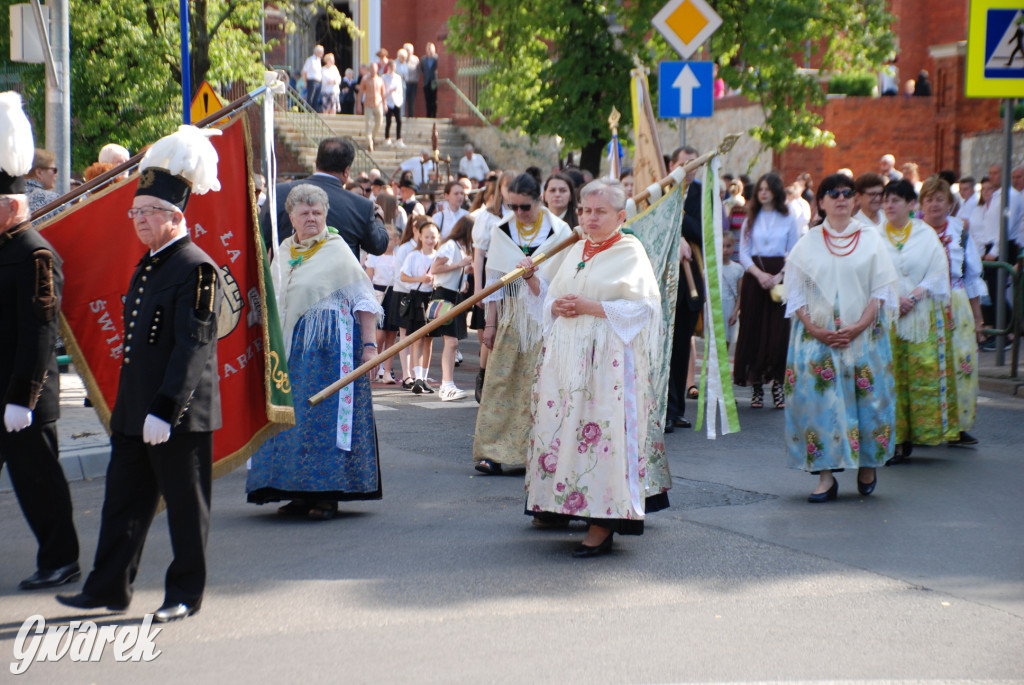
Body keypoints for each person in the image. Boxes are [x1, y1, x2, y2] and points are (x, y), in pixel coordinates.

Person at [59, 125, 224, 622]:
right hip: (137, 411)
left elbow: (194, 346)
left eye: (147, 213)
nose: (138, 221)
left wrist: (165, 409)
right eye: (136, 212)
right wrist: (135, 408)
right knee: (122, 503)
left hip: (176, 414)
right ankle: (108, 586)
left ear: (175, 217)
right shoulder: (149, 265)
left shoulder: (197, 267)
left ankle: (184, 594)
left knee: (184, 507)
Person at [520, 179, 664, 556]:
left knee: (600, 437)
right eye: (585, 210)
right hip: (566, 362)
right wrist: (537, 284)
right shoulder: (577, 247)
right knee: (563, 432)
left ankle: (603, 523)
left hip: (608, 365)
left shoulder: (630, 250)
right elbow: (550, 299)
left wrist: (590, 307)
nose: (590, 217)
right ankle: (562, 504)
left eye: (600, 212)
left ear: (620, 216)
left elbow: (645, 308)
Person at [247, 184, 382, 520]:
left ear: (326, 215)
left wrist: (369, 347)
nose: (311, 218)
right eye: (304, 213)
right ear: (291, 217)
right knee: (293, 421)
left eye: (317, 213)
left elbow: (364, 301)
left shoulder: (337, 250)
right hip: (291, 352)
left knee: (322, 419)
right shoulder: (284, 251)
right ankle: (296, 490)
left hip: (331, 353)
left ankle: (326, 495)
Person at [0, 92, 80, 591]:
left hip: (21, 396)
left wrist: (21, 399)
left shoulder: (36, 254)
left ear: (10, 207)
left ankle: (61, 558)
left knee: (39, 485)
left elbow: (41, 332)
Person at [783, 173, 899, 502]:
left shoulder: (871, 238)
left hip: (863, 332)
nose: (841, 198)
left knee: (868, 399)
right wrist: (815, 328)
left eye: (848, 193)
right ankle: (825, 476)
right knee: (819, 403)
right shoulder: (808, 242)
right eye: (832, 193)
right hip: (818, 335)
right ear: (820, 202)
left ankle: (867, 463)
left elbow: (881, 289)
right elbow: (796, 294)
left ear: (856, 200)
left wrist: (861, 324)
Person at [473, 172, 571, 474]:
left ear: (538, 200)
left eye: (524, 207)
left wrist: (532, 278)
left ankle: (537, 453)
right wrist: (490, 324)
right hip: (512, 318)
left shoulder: (560, 231)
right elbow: (496, 281)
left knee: (538, 386)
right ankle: (492, 451)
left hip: (545, 320)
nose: (518, 213)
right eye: (512, 207)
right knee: (501, 384)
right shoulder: (502, 230)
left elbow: (561, 283)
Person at [881, 179, 957, 462]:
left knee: (920, 373)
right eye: (887, 200)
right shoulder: (875, 236)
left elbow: (938, 272)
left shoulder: (926, 235)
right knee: (891, 379)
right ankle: (895, 440)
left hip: (921, 314)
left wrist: (912, 297)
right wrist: (892, 298)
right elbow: (870, 274)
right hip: (887, 315)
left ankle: (918, 433)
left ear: (911, 205)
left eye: (896, 200)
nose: (889, 205)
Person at [919, 176, 986, 446]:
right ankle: (925, 425)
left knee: (961, 364)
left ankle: (958, 425)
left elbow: (971, 276)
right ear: (921, 204)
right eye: (928, 199)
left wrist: (978, 318)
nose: (934, 204)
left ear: (949, 204)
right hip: (923, 303)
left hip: (956, 304)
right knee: (925, 366)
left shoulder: (960, 232)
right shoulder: (913, 232)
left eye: (939, 199)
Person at [734, 172, 800, 409]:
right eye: (760, 189)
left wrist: (780, 275)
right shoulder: (751, 218)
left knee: (778, 334)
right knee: (754, 331)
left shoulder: (788, 217)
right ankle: (756, 387)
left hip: (780, 276)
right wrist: (760, 275)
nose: (763, 193)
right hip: (755, 277)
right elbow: (743, 251)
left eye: (767, 189)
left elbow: (794, 250)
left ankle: (778, 386)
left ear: (776, 191)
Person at [261, 137, 388, 259]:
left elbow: (260, 242)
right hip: (335, 280)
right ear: (346, 171)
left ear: (317, 163)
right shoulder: (361, 206)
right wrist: (379, 218)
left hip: (287, 278)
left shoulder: (279, 193)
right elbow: (378, 245)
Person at [665, 146, 703, 432]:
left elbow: (705, 231)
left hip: (690, 283)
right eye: (684, 163)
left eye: (694, 164)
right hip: (662, 282)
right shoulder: (658, 192)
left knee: (680, 349)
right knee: (662, 349)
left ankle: (676, 410)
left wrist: (677, 218)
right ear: (671, 165)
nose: (689, 169)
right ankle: (662, 409)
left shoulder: (703, 194)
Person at [430, 215, 474, 401]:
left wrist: (463, 273)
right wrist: (460, 265)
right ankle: (446, 385)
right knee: (451, 342)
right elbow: (435, 268)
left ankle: (447, 384)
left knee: (453, 342)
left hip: (452, 295)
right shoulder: (450, 246)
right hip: (444, 295)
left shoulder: (459, 247)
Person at [400, 221, 441, 394]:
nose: (430, 240)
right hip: (418, 298)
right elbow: (403, 276)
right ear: (420, 237)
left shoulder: (439, 256)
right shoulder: (414, 255)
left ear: (438, 238)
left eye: (433, 236)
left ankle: (424, 378)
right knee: (417, 338)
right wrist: (420, 278)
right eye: (427, 237)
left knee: (429, 339)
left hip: (433, 297)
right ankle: (416, 377)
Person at [365, 225, 400, 385]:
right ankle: (375, 366)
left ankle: (387, 371)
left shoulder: (399, 255)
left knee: (392, 335)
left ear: (397, 240)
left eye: (391, 239)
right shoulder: (374, 256)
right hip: (378, 293)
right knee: (379, 334)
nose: (388, 242)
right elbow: (369, 278)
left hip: (394, 293)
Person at [721, 231, 744, 350]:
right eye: (722, 246)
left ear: (734, 246)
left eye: (728, 246)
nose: (725, 250)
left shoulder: (738, 269)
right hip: (716, 305)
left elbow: (740, 294)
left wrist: (735, 312)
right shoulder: (711, 268)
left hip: (730, 307)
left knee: (727, 340)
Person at [359, 63, 387, 152]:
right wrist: (359, 104)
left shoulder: (380, 80)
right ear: (369, 70)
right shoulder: (365, 79)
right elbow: (360, 93)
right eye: (371, 70)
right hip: (368, 104)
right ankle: (370, 144)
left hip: (378, 104)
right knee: (368, 124)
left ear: (377, 70)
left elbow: (383, 93)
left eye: (375, 70)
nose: (373, 72)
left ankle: (372, 137)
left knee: (380, 123)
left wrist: (385, 104)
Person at [24, 148, 59, 217]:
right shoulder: (51, 199)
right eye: (54, 170)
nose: (56, 174)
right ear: (39, 172)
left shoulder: (9, 196)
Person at [302, 45, 325, 111]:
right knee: (310, 98)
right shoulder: (310, 60)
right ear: (317, 52)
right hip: (312, 81)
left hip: (318, 81)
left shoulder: (319, 60)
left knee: (316, 98)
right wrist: (305, 82)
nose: (322, 54)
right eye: (321, 52)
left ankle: (314, 112)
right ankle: (309, 112)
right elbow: (304, 71)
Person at [421, 43, 439, 118]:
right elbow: (422, 69)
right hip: (426, 81)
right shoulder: (423, 59)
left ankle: (434, 114)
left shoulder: (437, 58)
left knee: (434, 99)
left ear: (434, 50)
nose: (430, 51)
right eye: (428, 49)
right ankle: (428, 115)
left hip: (434, 81)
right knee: (428, 99)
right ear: (426, 50)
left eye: (431, 49)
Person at [404, 43, 420, 117]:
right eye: (406, 50)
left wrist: (416, 78)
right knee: (404, 99)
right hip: (404, 82)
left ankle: (411, 115)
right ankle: (402, 115)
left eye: (409, 50)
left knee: (411, 99)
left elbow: (419, 70)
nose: (408, 52)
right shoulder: (402, 59)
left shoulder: (416, 59)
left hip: (413, 82)